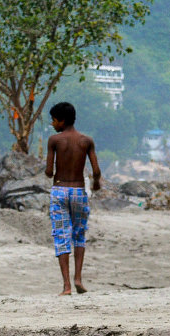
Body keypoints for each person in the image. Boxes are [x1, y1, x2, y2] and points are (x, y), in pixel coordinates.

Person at [44, 101, 101, 295]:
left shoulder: (54, 140)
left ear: (61, 121)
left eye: (53, 120)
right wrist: (96, 183)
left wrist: (52, 167)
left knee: (61, 236)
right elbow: (96, 170)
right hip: (78, 191)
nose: (52, 124)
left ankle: (66, 285)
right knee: (79, 235)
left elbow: (48, 172)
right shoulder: (86, 141)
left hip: (60, 191)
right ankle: (78, 278)